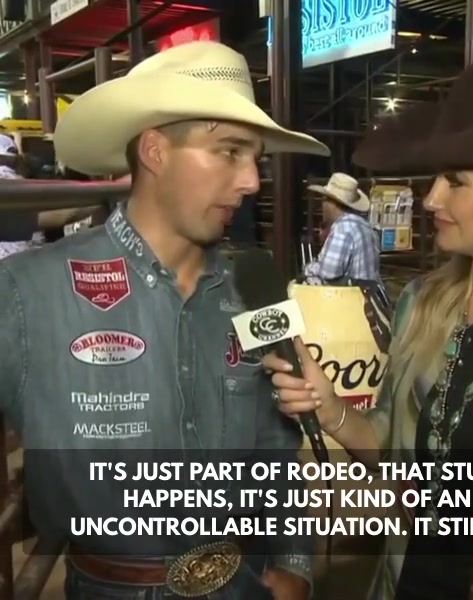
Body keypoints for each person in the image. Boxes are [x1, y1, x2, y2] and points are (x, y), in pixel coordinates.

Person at [0, 41, 329, 599]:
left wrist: (294, 564)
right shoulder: (26, 292)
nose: (252, 181)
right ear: (155, 151)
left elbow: (279, 447)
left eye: (254, 158)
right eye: (229, 151)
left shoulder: (258, 291)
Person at [263, 61, 473, 600]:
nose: (431, 199)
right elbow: (394, 451)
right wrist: (331, 410)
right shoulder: (424, 305)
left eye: (456, 181)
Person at [303, 172, 381, 284]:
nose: (322, 205)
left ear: (332, 203)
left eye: (324, 199)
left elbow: (328, 273)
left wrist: (309, 268)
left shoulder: (343, 229)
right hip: (367, 292)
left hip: (350, 294)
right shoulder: (366, 226)